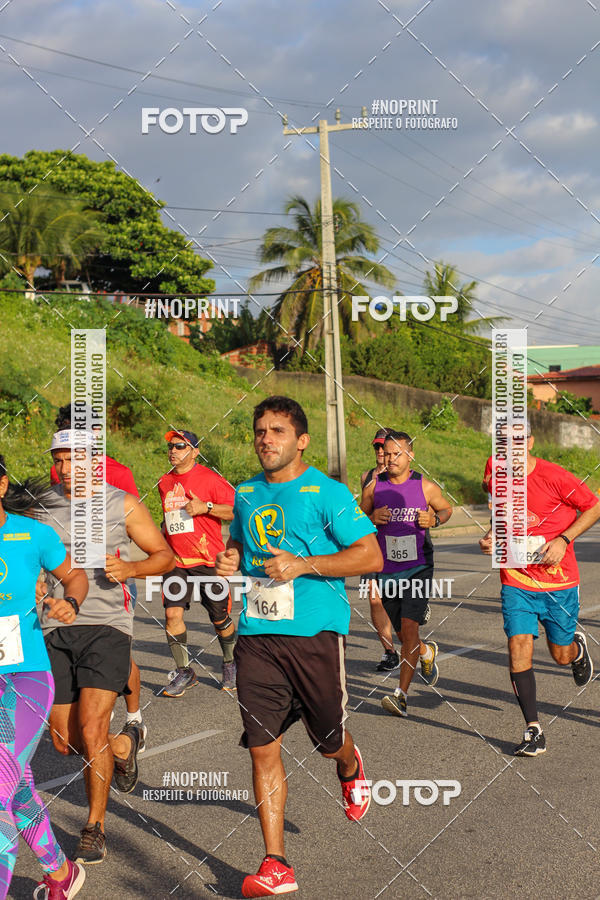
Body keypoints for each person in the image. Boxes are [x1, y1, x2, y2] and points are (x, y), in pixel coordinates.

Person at [216, 396, 383, 898]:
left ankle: (350, 765)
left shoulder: (326, 492)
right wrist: (230, 562)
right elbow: (242, 550)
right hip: (258, 637)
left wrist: (305, 565)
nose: (266, 439)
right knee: (263, 747)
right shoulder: (244, 493)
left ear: (301, 440)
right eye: (260, 431)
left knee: (328, 740)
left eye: (277, 431)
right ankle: (276, 864)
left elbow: (371, 555)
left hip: (314, 634)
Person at [39, 430, 174, 863]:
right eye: (57, 461)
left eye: (70, 461)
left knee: (93, 726)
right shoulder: (43, 504)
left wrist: (131, 567)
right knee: (63, 741)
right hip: (55, 627)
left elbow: (164, 556)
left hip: (108, 626)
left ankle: (93, 827)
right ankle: (122, 747)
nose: (62, 470)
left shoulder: (121, 503)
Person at [480, 427, 600, 756]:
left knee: (559, 654)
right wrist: (492, 535)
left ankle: (575, 649)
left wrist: (563, 539)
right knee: (518, 645)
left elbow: (593, 507)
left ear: (530, 442)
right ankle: (533, 728)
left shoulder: (555, 476)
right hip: (516, 580)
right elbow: (497, 508)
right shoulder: (494, 470)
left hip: (558, 582)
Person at [0, 454, 87, 899]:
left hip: (23, 677)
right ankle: (58, 870)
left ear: (1, 486)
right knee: (14, 786)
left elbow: (74, 577)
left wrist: (69, 602)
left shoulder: (30, 534)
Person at [48, 403, 145, 738]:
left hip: (110, 584)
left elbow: (133, 525)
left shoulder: (117, 474)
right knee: (70, 737)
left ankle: (133, 718)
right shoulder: (59, 471)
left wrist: (129, 567)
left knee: (122, 654)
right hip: (65, 593)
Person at [361, 430, 452, 718]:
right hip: (386, 568)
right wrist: (371, 518)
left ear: (410, 455)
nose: (389, 458)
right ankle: (425, 653)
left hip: (418, 567)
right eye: (386, 453)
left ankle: (401, 695)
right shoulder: (373, 487)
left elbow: (446, 509)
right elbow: (355, 520)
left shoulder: (425, 486)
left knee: (409, 630)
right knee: (403, 634)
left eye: (396, 453)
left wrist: (434, 519)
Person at [157, 429, 236, 697]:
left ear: (195, 451)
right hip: (176, 562)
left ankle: (229, 661)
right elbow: (169, 519)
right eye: (170, 446)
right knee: (172, 615)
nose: (173, 451)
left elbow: (236, 511)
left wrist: (207, 508)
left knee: (220, 618)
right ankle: (184, 672)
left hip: (208, 560)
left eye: (180, 446)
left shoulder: (211, 479)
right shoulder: (163, 482)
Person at [360, 428, 399, 672]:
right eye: (377, 447)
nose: (381, 451)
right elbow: (360, 514)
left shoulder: (405, 475)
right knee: (375, 598)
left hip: (399, 547)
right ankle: (390, 652)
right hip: (373, 546)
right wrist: (371, 516)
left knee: (397, 601)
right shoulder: (367, 477)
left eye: (385, 447)